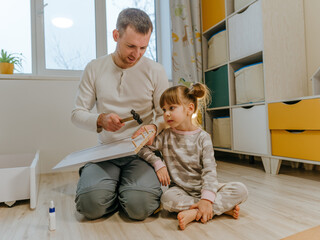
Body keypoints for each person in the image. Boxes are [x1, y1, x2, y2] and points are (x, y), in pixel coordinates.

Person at [71, 8, 169, 220]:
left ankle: (120, 191)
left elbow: (165, 116)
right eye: (130, 46)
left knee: (139, 207)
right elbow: (77, 114)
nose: (137, 54)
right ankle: (108, 188)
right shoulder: (95, 68)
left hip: (142, 154)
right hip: (106, 152)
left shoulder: (156, 71)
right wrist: (100, 119)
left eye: (144, 47)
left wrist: (154, 127)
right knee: (89, 206)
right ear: (116, 36)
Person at [137, 83, 248, 230]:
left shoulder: (203, 138)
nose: (166, 113)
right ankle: (213, 209)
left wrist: (207, 197)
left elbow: (209, 171)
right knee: (167, 200)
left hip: (205, 187)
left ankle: (198, 211)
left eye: (172, 108)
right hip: (180, 190)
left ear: (189, 109)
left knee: (241, 190)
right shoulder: (165, 136)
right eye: (164, 109)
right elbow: (141, 148)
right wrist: (158, 163)